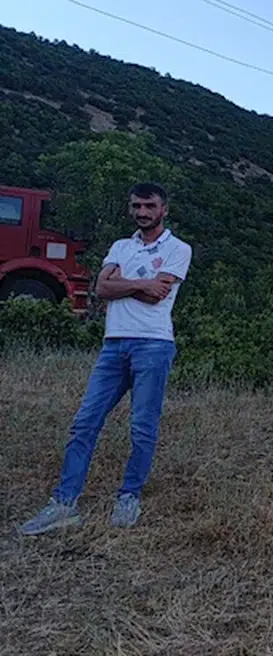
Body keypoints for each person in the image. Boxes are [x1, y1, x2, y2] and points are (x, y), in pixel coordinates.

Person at [18, 183, 193, 535]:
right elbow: (101, 288)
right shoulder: (120, 246)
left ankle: (129, 497)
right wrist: (139, 284)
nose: (142, 212)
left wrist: (123, 283)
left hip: (154, 345)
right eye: (136, 206)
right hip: (113, 345)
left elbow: (156, 297)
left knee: (142, 427)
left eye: (149, 205)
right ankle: (64, 504)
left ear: (164, 209)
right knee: (84, 423)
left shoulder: (178, 248)